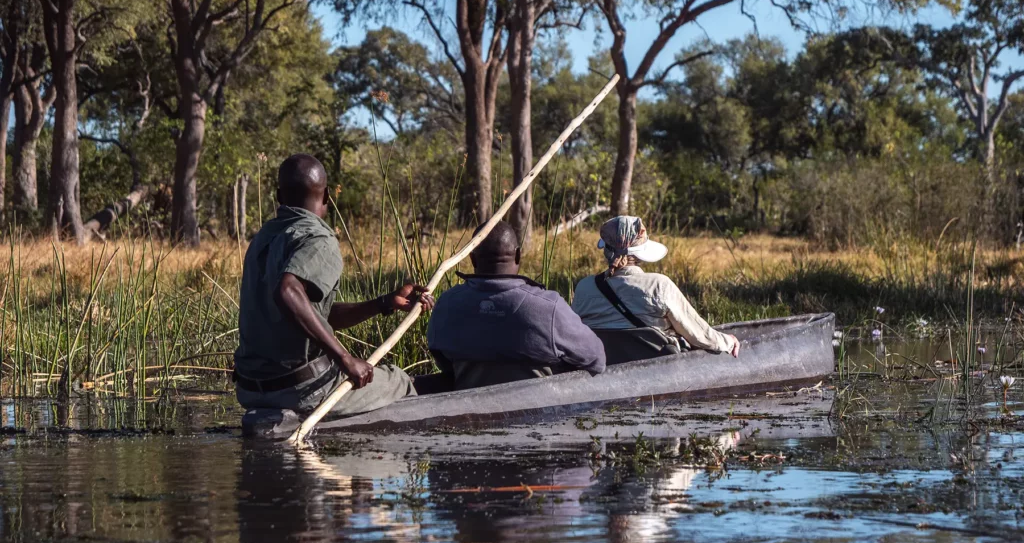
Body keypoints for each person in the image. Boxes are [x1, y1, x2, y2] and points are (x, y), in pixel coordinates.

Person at [234, 153, 434, 438]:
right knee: (400, 380)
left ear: (279, 196)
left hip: (251, 390)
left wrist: (384, 303)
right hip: (298, 391)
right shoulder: (318, 238)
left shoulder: (264, 237)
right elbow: (288, 293)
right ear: (327, 195)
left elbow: (309, 314)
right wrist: (344, 358)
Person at [426, 220, 605, 390]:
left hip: (469, 415)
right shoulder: (549, 307)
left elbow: (443, 361)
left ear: (472, 259)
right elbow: (597, 359)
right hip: (540, 416)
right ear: (518, 255)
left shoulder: (447, 304)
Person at [571, 216, 740, 365]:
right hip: (660, 371)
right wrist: (728, 342)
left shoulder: (584, 287)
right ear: (639, 254)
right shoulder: (659, 285)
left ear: (606, 250)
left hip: (604, 367)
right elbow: (699, 335)